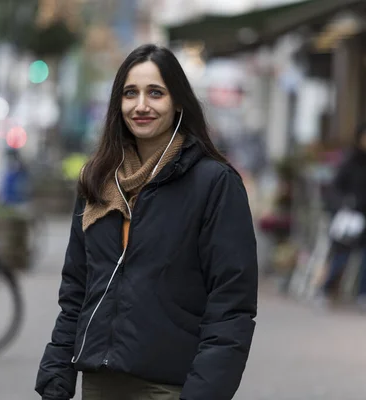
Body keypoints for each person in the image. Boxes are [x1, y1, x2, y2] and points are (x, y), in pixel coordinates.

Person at [35, 44, 258, 400]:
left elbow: (231, 305)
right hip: (100, 382)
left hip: (170, 387)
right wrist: (56, 374)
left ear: (179, 102)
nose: (141, 106)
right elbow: (77, 290)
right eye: (130, 93)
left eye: (156, 93)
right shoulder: (98, 181)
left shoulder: (214, 184)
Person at [321, 122, 366, 309]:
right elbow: (338, 186)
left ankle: (364, 294)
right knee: (342, 256)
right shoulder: (351, 161)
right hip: (353, 216)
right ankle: (325, 290)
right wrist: (346, 204)